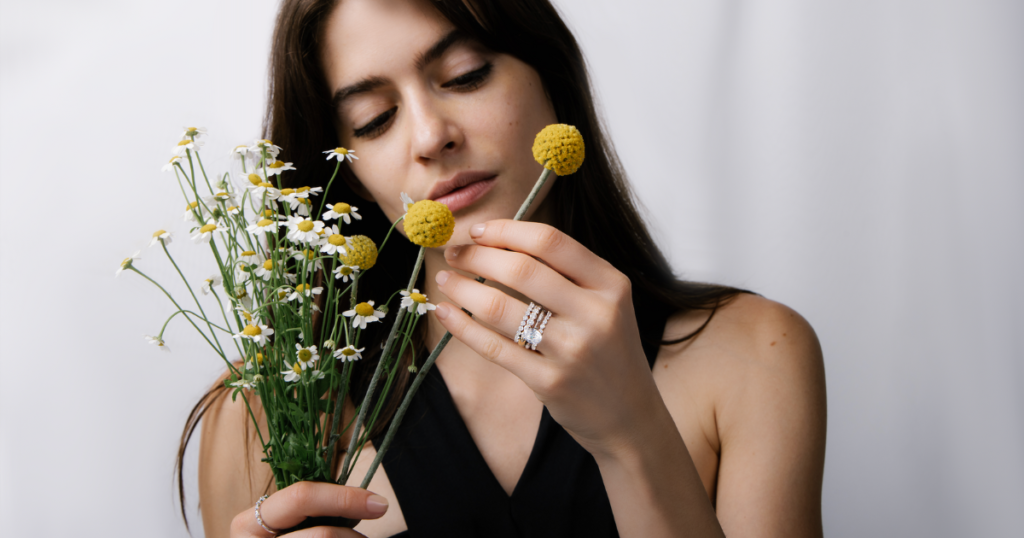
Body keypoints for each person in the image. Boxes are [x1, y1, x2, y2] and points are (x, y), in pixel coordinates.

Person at [187, 0, 827, 536]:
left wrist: (631, 435)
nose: (430, 135)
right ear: (347, 172)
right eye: (374, 120)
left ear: (549, 74)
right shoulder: (267, 410)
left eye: (465, 75)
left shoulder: (753, 355)